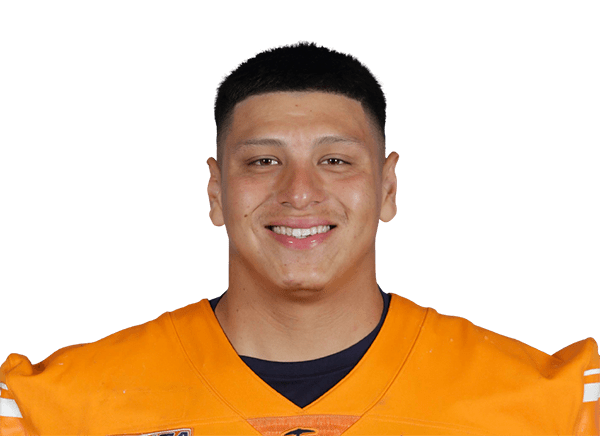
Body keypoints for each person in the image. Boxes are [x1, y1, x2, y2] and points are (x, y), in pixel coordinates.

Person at [1, 41, 598, 436]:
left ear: (388, 188)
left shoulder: (557, 405)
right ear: (216, 191)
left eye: (336, 161)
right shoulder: (49, 410)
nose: (300, 192)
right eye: (263, 162)